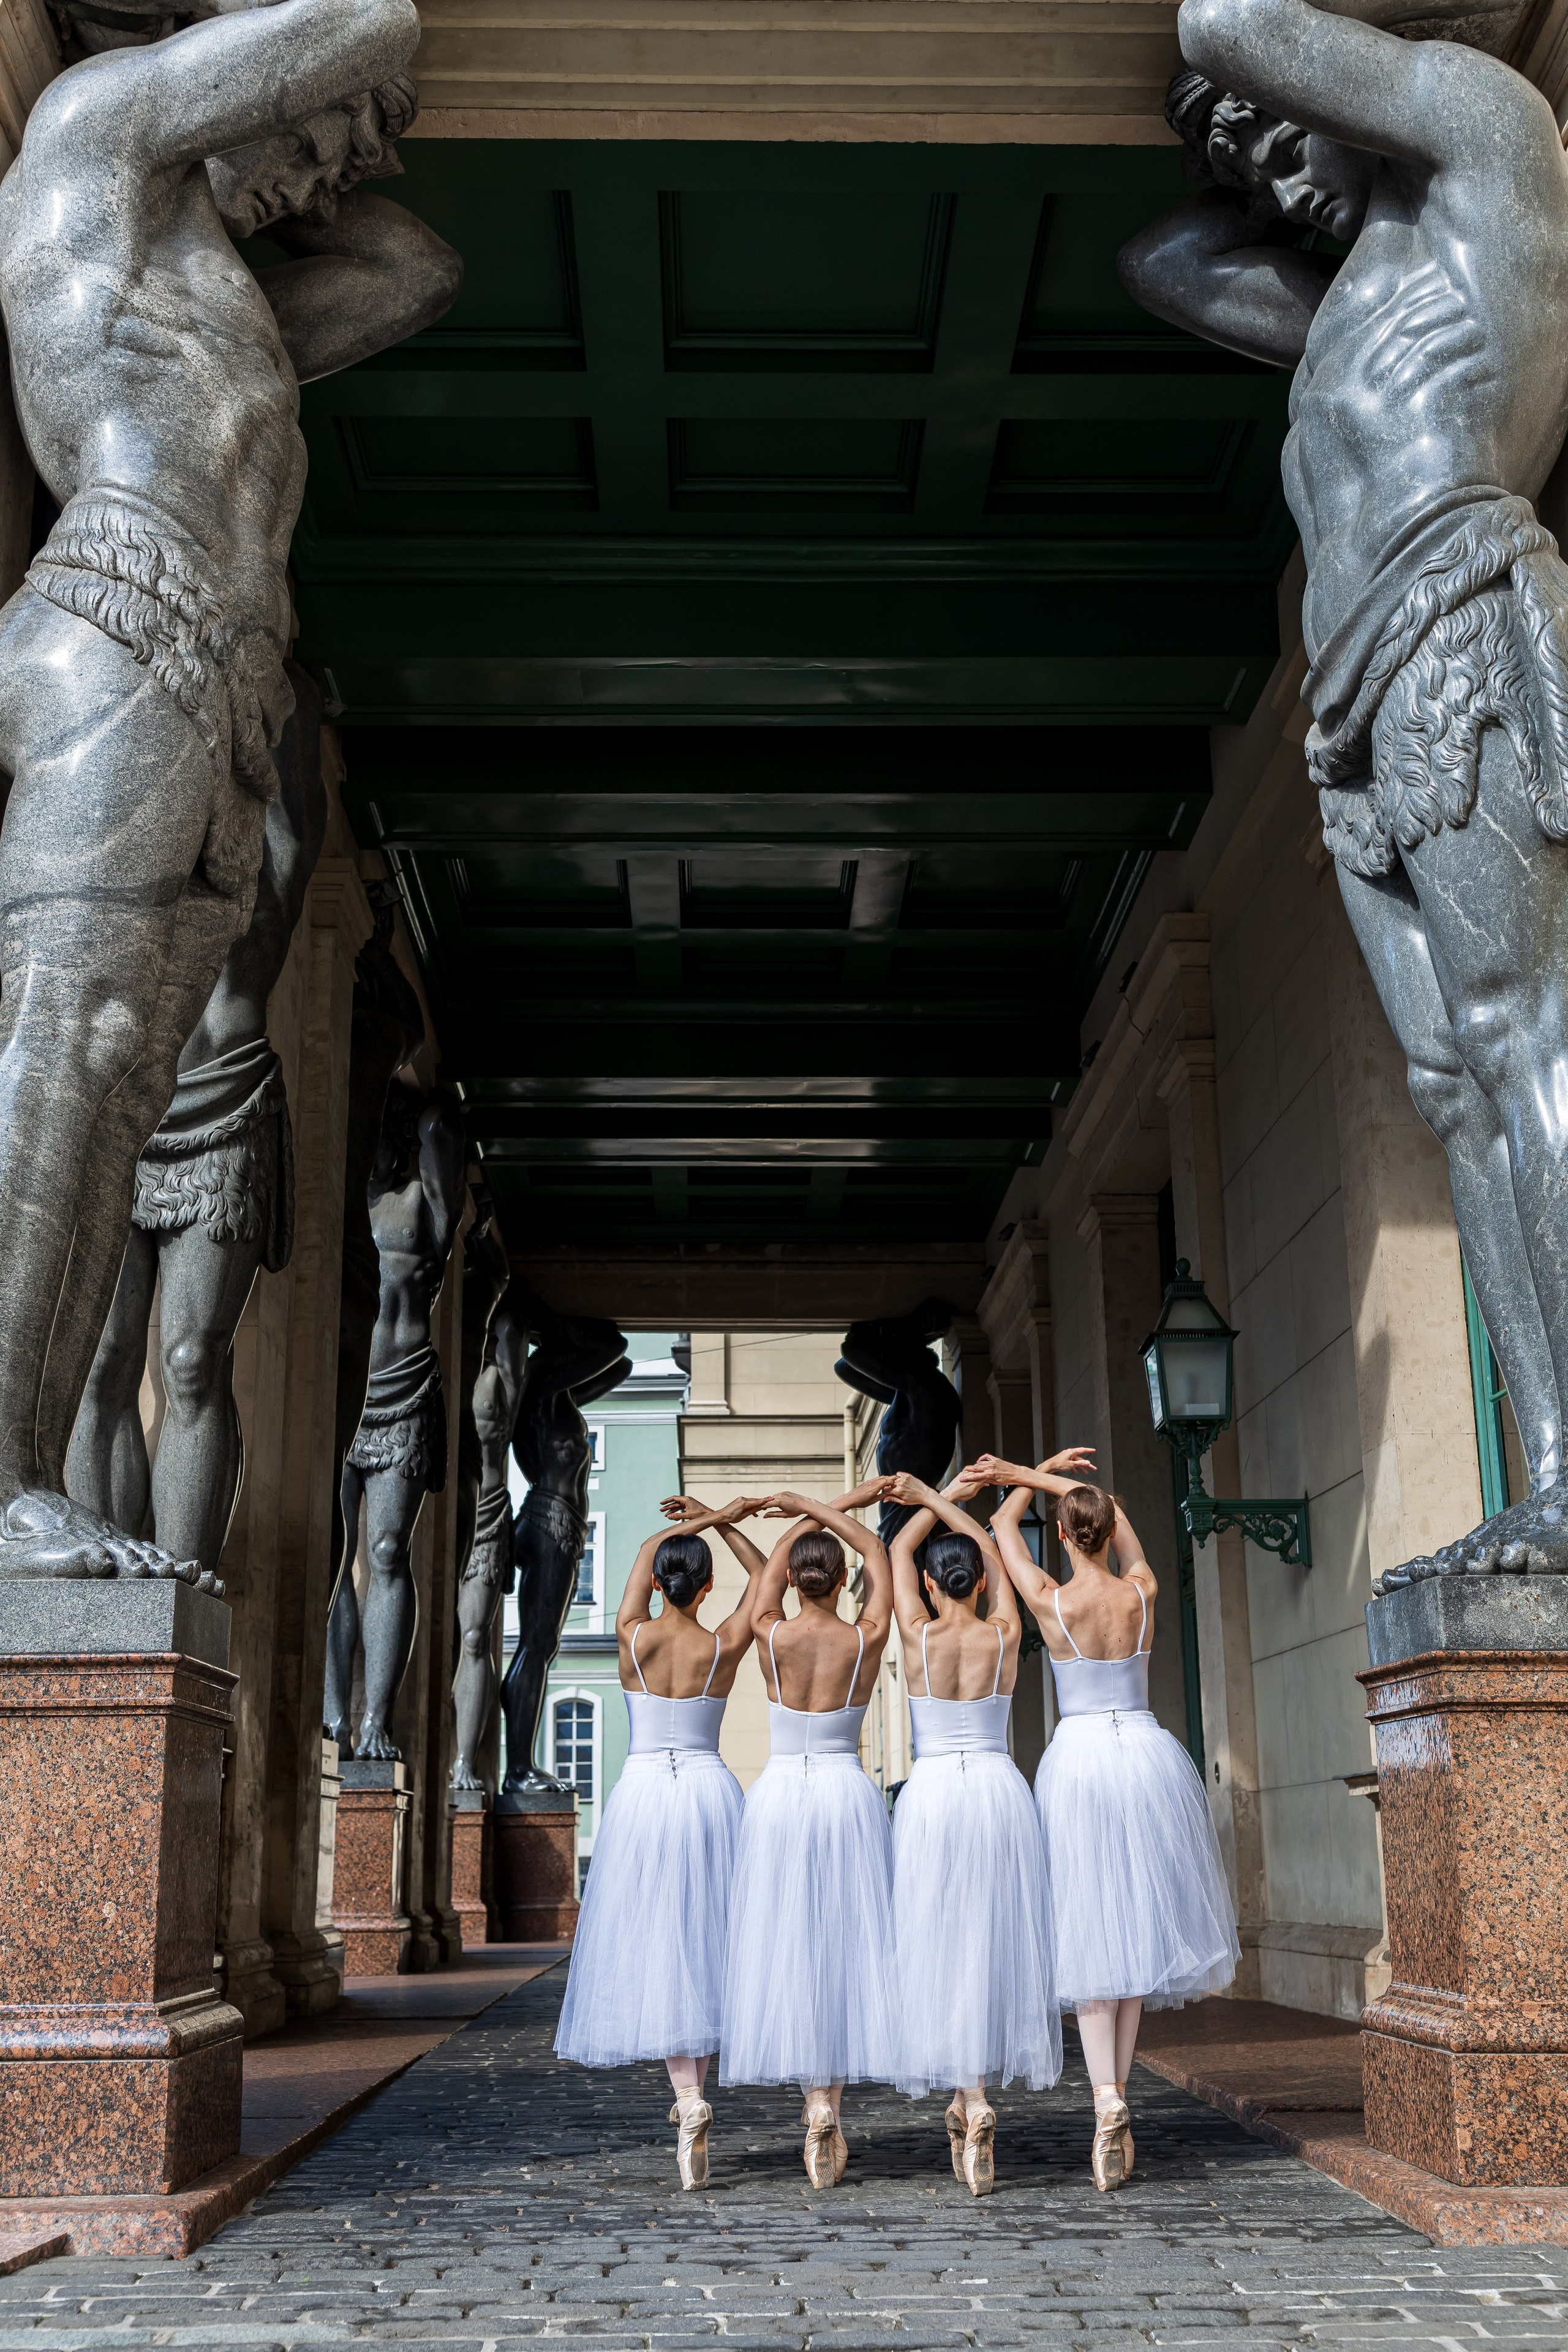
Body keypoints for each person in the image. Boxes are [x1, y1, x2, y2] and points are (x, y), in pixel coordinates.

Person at [0, 0, 460, 1580]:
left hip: (207, 685)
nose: (341, 154)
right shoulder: (99, 133)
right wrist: (305, 86)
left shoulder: (219, 298)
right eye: (334, 123)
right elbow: (376, 14)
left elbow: (413, 268)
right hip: (121, 631)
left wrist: (304, 171)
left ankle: (17, 1464)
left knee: (120, 1078)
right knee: (66, 1049)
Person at [1115, 0, 1568, 1575]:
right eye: (1236, 160)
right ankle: (1550, 1466)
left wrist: (1263, 83)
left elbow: (1220, 16)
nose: (1260, 179)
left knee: (1525, 1039)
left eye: (1264, 131)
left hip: (1455, 625)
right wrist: (1265, 154)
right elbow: (1159, 265)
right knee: (1451, 1081)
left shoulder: (1484, 151)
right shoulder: (1340, 313)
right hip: (1355, 709)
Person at [976, 1453, 1239, 2193]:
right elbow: (1115, 1513)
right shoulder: (1142, 1592)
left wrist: (1023, 1476)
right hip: (1148, 1755)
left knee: (1093, 1935)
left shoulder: (1051, 1602)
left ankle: (1105, 2098)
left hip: (1084, 1762)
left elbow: (999, 1525)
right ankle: (1115, 2095)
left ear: (1061, 1535)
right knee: (1130, 1937)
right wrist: (1066, 1483)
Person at [554, 1497, 770, 2193]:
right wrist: (725, 1520)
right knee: (708, 1940)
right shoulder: (724, 1642)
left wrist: (683, 1528)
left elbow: (645, 1556)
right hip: (708, 1791)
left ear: (659, 1585)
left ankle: (687, 2100)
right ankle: (696, 2092)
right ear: (706, 1588)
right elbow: (769, 1577)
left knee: (664, 1944)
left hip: (645, 1793)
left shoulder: (631, 1636)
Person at [883, 1468, 1067, 2196]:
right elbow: (995, 1553)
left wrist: (937, 1500)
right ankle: (973, 2096)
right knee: (991, 1941)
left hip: (932, 1795)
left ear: (933, 1587)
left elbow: (897, 1554)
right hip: (997, 1789)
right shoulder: (1003, 1631)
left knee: (943, 1942)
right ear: (978, 1585)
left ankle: (971, 2096)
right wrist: (953, 1510)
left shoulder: (918, 1635)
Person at [720, 1487, 897, 2188]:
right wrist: (828, 1505)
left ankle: (813, 2104)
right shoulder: (864, 1637)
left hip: (783, 1795)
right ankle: (831, 2101)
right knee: (843, 1943)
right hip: (845, 1792)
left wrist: (779, 1518)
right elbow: (880, 1550)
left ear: (794, 1579)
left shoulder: (770, 1632)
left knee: (791, 1941)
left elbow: (762, 1579)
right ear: (845, 1578)